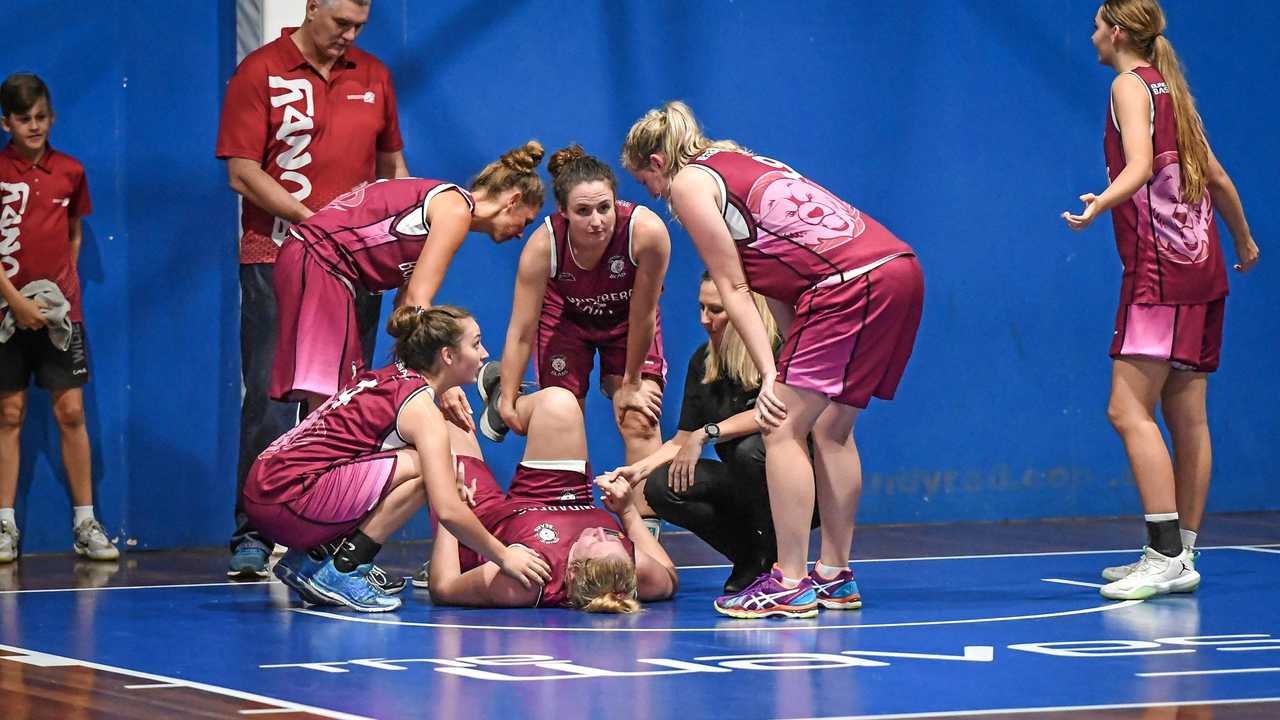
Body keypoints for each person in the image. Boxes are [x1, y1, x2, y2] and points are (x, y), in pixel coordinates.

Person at [622, 101, 924, 619]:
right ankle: (834, 575)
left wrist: (769, 376)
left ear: (656, 162)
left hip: (846, 286)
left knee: (779, 427)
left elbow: (734, 286)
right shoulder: (745, 162)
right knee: (832, 429)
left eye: (645, 180)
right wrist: (785, 368)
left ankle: (789, 581)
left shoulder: (690, 183)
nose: (651, 193)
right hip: (898, 271)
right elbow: (782, 284)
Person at [1062, 0, 1260, 600]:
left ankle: (1167, 554)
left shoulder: (1129, 84)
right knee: (1187, 415)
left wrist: (1099, 203)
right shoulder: (1171, 89)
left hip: (1161, 271)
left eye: (1098, 24)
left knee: (1126, 410)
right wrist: (1245, 241)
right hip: (1201, 268)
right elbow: (1218, 177)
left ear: (1117, 32)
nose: (1092, 35)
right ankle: (1180, 553)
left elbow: (1142, 167)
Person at [215, 0, 408, 579]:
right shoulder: (260, 71)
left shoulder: (374, 74)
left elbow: (393, 169)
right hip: (277, 258)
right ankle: (253, 531)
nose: (348, 36)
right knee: (273, 401)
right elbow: (241, 172)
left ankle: (327, 533)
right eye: (340, 24)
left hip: (357, 268)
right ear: (311, 7)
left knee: (342, 403)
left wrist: (401, 242)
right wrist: (313, 222)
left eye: (359, 28)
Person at [244, 305, 551, 612]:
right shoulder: (421, 410)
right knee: (425, 471)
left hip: (265, 488)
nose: (484, 354)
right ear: (447, 355)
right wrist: (504, 556)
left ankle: (310, 559)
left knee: (429, 470)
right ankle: (345, 568)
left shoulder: (386, 379)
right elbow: (448, 511)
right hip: (284, 499)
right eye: (475, 344)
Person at [271, 142, 546, 419]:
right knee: (330, 400)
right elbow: (417, 300)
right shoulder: (455, 210)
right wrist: (442, 379)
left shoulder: (446, 205)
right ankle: (311, 460)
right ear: (513, 200)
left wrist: (417, 378)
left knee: (335, 394)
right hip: (321, 260)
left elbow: (405, 305)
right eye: (527, 221)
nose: (521, 234)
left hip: (315, 260)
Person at [483, 144, 669, 522]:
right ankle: (570, 521)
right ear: (564, 213)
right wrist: (507, 399)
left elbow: (644, 314)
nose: (597, 220)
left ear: (616, 201)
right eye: (583, 211)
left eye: (605, 207)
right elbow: (521, 330)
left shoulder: (646, 232)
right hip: (566, 321)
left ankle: (645, 536)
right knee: (559, 419)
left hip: (627, 323)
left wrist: (632, 381)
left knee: (639, 415)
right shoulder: (543, 246)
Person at [602, 273, 812, 593]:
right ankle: (751, 557)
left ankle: (780, 558)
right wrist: (637, 471)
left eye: (715, 310)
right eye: (701, 308)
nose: (704, 320)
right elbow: (682, 439)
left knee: (751, 451)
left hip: (802, 491)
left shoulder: (780, 351)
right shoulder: (703, 361)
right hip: (745, 483)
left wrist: (708, 433)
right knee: (661, 486)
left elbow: (773, 413)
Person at [0, 73, 118, 564]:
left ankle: (86, 522)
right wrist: (16, 301)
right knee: (9, 414)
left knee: (71, 412)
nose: (35, 126)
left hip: (59, 316)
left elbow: (73, 231)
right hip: (6, 313)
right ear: (6, 121)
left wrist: (60, 289)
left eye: (42, 117)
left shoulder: (70, 170)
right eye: (24, 119)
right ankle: (4, 527)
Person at [426, 386, 678, 612]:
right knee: (559, 402)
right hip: (565, 497)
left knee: (443, 426)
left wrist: (450, 506)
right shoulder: (631, 572)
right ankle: (501, 400)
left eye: (595, 541)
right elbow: (669, 576)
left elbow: (444, 588)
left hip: (485, 521)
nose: (602, 532)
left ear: (572, 572)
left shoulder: (526, 584)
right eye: (613, 538)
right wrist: (627, 512)